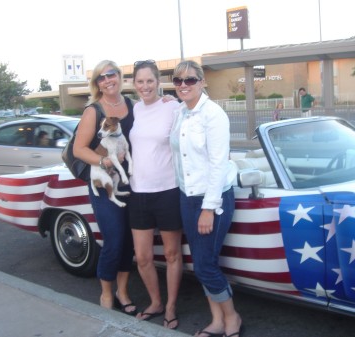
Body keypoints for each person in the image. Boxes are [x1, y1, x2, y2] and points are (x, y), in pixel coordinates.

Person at [169, 60, 243, 337]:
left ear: (202, 82)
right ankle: (217, 320)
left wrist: (209, 208)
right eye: (178, 81)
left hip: (211, 199)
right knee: (201, 262)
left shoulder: (213, 114)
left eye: (190, 80)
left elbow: (218, 164)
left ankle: (232, 317)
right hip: (186, 196)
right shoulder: (180, 113)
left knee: (205, 265)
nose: (184, 85)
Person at [73, 60, 137, 316]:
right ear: (97, 83)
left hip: (132, 183)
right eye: (101, 77)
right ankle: (107, 292)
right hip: (104, 184)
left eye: (111, 74)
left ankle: (123, 291)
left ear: (120, 77)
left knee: (129, 241)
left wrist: (167, 101)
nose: (107, 80)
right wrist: (104, 161)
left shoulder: (132, 105)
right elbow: (79, 149)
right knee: (114, 239)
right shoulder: (93, 110)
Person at [129, 60, 183, 330]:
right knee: (142, 257)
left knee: (172, 254)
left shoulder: (172, 106)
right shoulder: (135, 109)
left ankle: (171, 306)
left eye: (150, 81)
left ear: (158, 82)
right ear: (134, 84)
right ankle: (156, 301)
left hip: (168, 191)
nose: (145, 86)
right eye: (140, 81)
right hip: (139, 192)